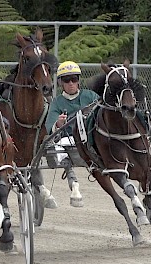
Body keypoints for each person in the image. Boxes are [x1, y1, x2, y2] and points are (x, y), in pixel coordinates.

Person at [45, 61, 100, 207]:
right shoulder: (57, 102)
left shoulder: (91, 96)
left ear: (78, 81)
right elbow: (49, 126)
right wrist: (58, 124)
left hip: (89, 141)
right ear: (61, 83)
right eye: (66, 80)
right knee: (59, 147)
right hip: (67, 142)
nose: (71, 83)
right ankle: (73, 183)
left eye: (74, 79)